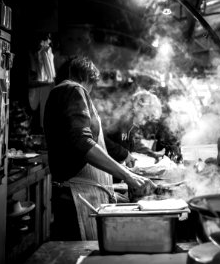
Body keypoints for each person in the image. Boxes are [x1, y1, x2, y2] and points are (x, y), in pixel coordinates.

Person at [43, 55, 155, 240]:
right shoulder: (74, 90)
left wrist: (122, 183)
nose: (92, 91)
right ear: (88, 78)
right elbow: (82, 142)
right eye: (92, 85)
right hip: (76, 196)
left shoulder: (61, 92)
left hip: (81, 195)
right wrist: (127, 175)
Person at [103, 90, 166, 167]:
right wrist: (124, 154)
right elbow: (101, 139)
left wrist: (151, 153)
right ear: (139, 107)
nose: (144, 123)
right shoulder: (118, 118)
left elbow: (133, 143)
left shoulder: (131, 125)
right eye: (145, 117)